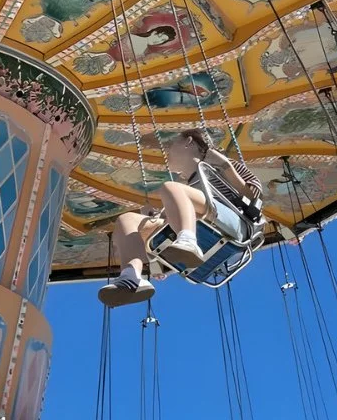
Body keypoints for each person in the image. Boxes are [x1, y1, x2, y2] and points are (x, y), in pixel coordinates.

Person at [99, 128, 262, 307]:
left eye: (172, 144)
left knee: (171, 188)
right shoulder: (184, 187)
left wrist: (225, 166)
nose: (167, 152)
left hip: (233, 221)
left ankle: (188, 240)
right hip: (204, 220)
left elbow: (254, 195)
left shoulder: (220, 166)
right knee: (127, 220)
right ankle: (131, 276)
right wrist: (156, 217)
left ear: (188, 142)